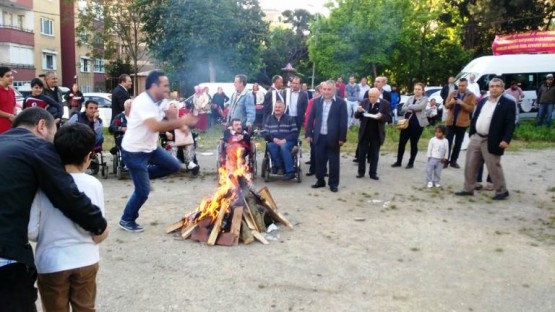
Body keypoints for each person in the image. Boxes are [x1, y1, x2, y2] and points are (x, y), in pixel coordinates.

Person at [0, 107, 107, 310]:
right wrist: (99, 226)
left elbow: (32, 230)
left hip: (50, 263)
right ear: (42, 126)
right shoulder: (37, 148)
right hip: (8, 260)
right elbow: (67, 194)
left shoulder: (5, 144)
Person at [28, 123, 109, 312]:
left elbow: (31, 231)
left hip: (51, 263)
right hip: (86, 259)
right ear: (88, 156)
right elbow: (98, 230)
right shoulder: (93, 184)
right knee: (85, 308)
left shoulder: (41, 185)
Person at [119, 70, 197, 232]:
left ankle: (143, 178)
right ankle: (127, 219)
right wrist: (180, 122)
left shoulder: (160, 100)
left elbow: (169, 113)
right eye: (165, 85)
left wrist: (181, 125)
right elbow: (154, 126)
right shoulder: (142, 102)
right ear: (154, 86)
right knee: (143, 192)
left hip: (151, 148)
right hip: (134, 152)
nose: (167, 89)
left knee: (174, 166)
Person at [455, 77, 516, 200]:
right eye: (492, 86)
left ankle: (501, 190)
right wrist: (472, 133)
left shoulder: (508, 103)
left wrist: (506, 139)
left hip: (492, 139)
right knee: (470, 164)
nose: (494, 88)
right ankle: (468, 188)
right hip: (477, 137)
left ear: (502, 88)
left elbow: (510, 123)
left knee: (493, 166)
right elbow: (476, 116)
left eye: (497, 86)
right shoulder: (483, 101)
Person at [306, 80, 348, 192]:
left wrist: (342, 138)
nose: (326, 92)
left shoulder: (341, 103)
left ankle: (333, 184)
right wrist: (308, 133)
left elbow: (343, 122)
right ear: (321, 90)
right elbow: (311, 119)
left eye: (329, 89)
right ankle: (320, 181)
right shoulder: (316, 102)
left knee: (334, 162)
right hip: (319, 136)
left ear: (334, 90)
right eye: (324, 89)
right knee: (319, 161)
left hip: (334, 138)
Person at [354, 88, 392, 180]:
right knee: (362, 153)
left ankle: (373, 173)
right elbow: (357, 116)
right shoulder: (364, 102)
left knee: (375, 154)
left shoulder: (385, 103)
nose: (371, 98)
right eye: (370, 96)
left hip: (377, 133)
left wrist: (381, 116)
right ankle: (361, 172)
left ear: (378, 95)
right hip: (365, 131)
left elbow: (388, 117)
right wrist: (358, 111)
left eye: (374, 96)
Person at [392, 82, 429, 169]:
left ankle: (411, 162)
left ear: (422, 91)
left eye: (419, 89)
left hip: (417, 124)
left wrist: (410, 107)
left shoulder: (425, 99)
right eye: (415, 89)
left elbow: (420, 107)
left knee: (413, 144)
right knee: (401, 143)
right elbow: (403, 108)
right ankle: (398, 161)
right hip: (406, 123)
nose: (417, 91)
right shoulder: (410, 98)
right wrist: (412, 107)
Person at [444, 78, 476, 169]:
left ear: (467, 85)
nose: (461, 87)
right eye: (460, 85)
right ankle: (445, 161)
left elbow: (471, 109)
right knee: (448, 142)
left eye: (463, 85)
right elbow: (446, 105)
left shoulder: (471, 95)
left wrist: (462, 103)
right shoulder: (453, 93)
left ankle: (453, 161)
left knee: (458, 143)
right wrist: (451, 102)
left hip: (462, 123)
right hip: (451, 122)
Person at [264, 101, 298, 180]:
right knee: (270, 146)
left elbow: (295, 133)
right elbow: (266, 133)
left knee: (283, 147)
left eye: (279, 107)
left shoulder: (290, 118)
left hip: (287, 141)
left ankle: (290, 172)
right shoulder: (269, 118)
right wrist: (273, 139)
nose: (277, 109)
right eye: (276, 107)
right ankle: (280, 167)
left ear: (284, 108)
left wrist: (285, 140)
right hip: (274, 141)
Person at [304, 85, 321, 176]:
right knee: (314, 149)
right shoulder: (312, 102)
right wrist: (308, 132)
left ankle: (322, 170)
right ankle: (313, 169)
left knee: (323, 151)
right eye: (318, 92)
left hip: (323, 130)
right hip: (313, 129)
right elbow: (308, 117)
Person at [0, 67, 17, 134]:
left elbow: (14, 105)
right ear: (0, 77)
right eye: (7, 76)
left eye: (11, 75)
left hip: (11, 128)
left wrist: (15, 115)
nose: (11, 78)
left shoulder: (11, 91)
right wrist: (10, 115)